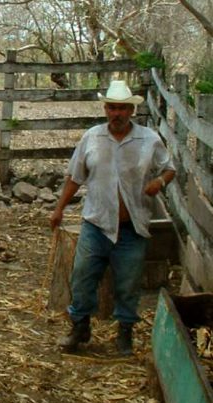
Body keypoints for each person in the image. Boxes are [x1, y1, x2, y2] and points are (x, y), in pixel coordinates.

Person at [50, 80, 176, 356]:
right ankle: (80, 328)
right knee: (82, 277)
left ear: (131, 110)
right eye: (111, 107)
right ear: (105, 109)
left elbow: (169, 169)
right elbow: (75, 176)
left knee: (128, 283)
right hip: (96, 223)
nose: (116, 113)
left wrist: (159, 183)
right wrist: (59, 209)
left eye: (122, 108)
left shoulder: (148, 139)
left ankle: (125, 334)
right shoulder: (92, 137)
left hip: (132, 226)